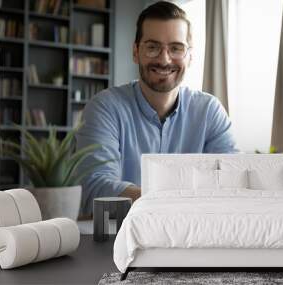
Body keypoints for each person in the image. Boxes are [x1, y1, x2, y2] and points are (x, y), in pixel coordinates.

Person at [76, 1, 237, 216]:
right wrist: (176, 202)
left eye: (176, 48)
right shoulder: (104, 108)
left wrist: (160, 201)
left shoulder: (210, 111)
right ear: (135, 52)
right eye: (152, 47)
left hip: (196, 235)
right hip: (121, 237)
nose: (164, 59)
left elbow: (233, 182)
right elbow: (95, 188)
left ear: (190, 56)